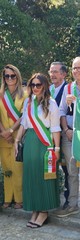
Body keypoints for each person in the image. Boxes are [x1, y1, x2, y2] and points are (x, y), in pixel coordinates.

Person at [15, 73, 61, 227]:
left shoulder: (52, 103)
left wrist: (57, 148)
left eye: (38, 85)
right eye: (32, 85)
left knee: (44, 176)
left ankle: (43, 211)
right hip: (30, 142)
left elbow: (55, 127)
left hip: (45, 144)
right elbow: (24, 123)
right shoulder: (28, 103)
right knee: (31, 175)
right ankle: (35, 208)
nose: (35, 88)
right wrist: (16, 140)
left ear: (44, 86)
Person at [56, 57, 80, 220]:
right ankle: (72, 204)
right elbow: (61, 111)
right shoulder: (68, 87)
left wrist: (78, 102)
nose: (76, 71)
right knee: (71, 172)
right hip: (69, 135)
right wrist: (66, 129)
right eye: (74, 68)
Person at [0, 64, 27, 209]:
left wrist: (10, 131)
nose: (10, 78)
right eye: (7, 76)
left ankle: (19, 199)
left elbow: (24, 116)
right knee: (6, 169)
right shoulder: (0, 94)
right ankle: (8, 197)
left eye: (12, 75)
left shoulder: (25, 94)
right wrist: (4, 132)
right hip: (2, 137)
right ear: (3, 78)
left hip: (17, 137)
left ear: (17, 76)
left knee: (18, 169)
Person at [49, 62, 69, 209]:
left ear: (63, 74)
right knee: (50, 167)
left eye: (56, 72)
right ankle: (52, 196)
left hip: (63, 135)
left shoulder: (69, 89)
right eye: (51, 71)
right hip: (48, 136)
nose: (52, 74)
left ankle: (68, 199)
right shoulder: (47, 89)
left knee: (67, 169)